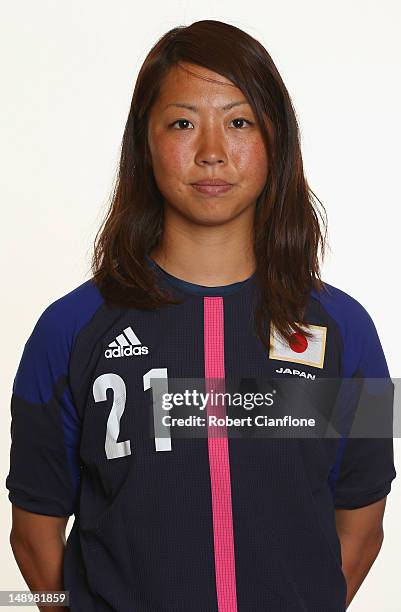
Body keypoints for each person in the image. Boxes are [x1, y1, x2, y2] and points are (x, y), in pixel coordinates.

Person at [6, 19, 396, 612]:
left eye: (239, 122)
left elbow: (363, 529)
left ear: (275, 141)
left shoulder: (346, 331)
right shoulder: (68, 330)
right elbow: (33, 540)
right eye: (183, 123)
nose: (212, 152)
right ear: (146, 142)